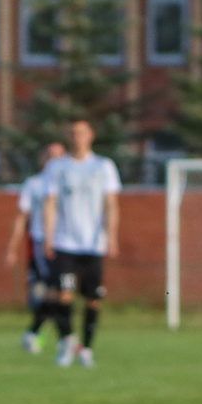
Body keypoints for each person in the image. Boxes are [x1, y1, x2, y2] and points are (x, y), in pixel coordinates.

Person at [41, 119, 120, 368]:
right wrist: (48, 236)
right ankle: (67, 342)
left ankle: (86, 349)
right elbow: (50, 203)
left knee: (92, 300)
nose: (78, 137)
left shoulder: (103, 166)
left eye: (82, 133)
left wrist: (112, 236)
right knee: (63, 295)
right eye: (73, 133)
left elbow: (111, 204)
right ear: (68, 137)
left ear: (91, 135)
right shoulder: (57, 167)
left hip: (93, 245)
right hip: (66, 243)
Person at [3, 141, 66, 353]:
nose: (53, 160)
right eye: (50, 155)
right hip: (42, 243)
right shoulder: (34, 184)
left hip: (68, 244)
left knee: (62, 291)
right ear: (42, 159)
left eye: (58, 155)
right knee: (52, 290)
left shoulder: (71, 182)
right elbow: (22, 217)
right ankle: (60, 337)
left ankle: (37, 333)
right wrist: (12, 248)